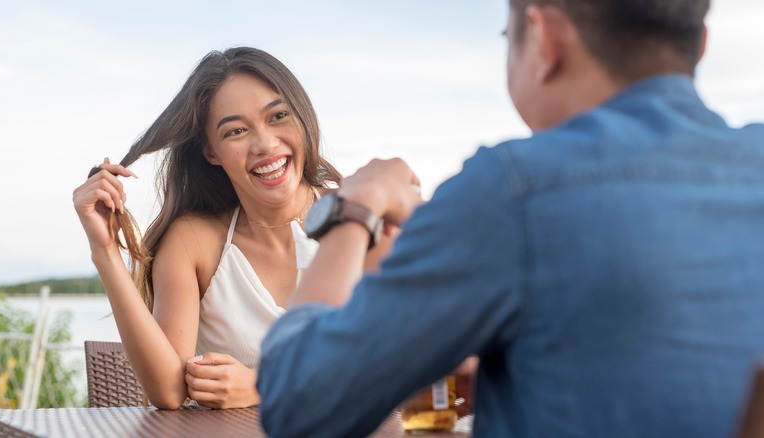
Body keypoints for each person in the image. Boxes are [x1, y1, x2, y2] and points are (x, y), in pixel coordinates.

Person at [256, 0, 764, 437]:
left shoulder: (514, 189)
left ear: (544, 38)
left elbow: (298, 404)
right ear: (698, 44)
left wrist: (354, 210)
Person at [72, 47, 384, 410]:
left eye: (278, 116)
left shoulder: (360, 217)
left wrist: (265, 386)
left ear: (302, 118)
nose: (265, 144)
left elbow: (402, 362)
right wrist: (106, 251)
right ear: (211, 152)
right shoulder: (194, 242)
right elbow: (169, 392)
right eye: (236, 131)